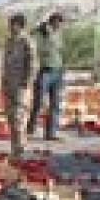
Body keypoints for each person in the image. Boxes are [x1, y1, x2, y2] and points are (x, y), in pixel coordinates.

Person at [27, 12, 66, 141]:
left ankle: (51, 133)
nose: (59, 25)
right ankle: (30, 129)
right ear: (52, 22)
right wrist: (41, 28)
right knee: (38, 102)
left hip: (57, 71)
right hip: (45, 72)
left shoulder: (58, 35)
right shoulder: (42, 34)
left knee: (55, 104)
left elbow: (59, 48)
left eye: (61, 23)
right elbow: (31, 37)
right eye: (57, 22)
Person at [2, 13, 35, 158]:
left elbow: (32, 64)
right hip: (9, 83)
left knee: (19, 117)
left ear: (19, 25)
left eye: (12, 24)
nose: (9, 26)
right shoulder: (9, 41)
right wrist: (4, 80)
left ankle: (20, 148)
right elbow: (6, 63)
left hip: (21, 85)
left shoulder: (27, 41)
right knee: (10, 117)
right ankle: (14, 147)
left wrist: (27, 83)